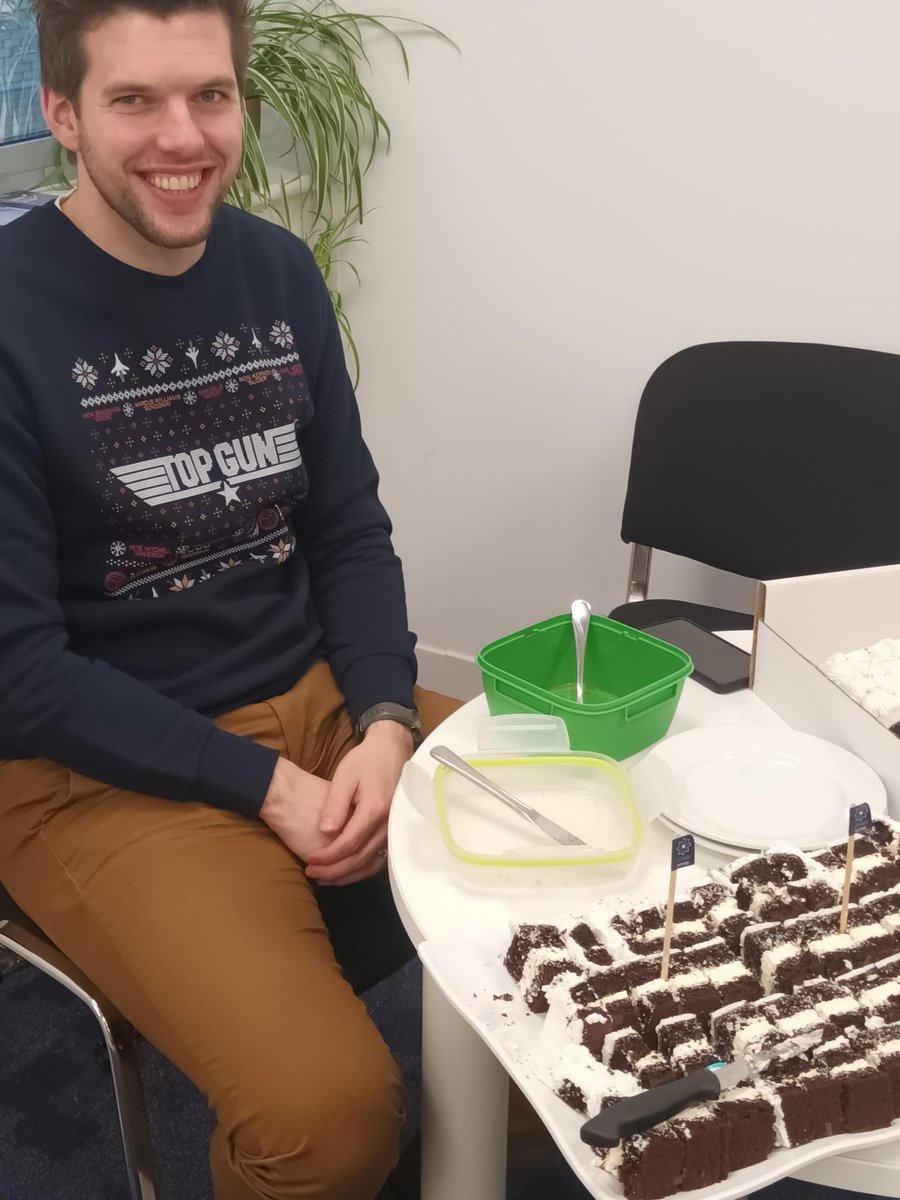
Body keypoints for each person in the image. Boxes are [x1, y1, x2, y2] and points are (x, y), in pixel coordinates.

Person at [0, 2, 459, 1197]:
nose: (182, 135)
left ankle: (485, 1139)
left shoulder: (276, 269)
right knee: (330, 1120)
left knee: (589, 878)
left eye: (209, 94)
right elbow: (18, 669)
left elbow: (347, 528)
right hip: (88, 767)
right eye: (135, 100)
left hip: (309, 693)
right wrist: (272, 789)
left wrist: (385, 720)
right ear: (62, 114)